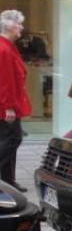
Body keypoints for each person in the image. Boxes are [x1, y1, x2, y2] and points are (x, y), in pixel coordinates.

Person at [0, 10, 31, 192]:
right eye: (19, 24)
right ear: (10, 26)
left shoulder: (7, 45)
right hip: (7, 104)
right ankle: (6, 180)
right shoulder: (4, 48)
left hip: (9, 102)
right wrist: (8, 107)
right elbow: (5, 81)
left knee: (8, 140)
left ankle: (8, 181)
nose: (21, 27)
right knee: (12, 139)